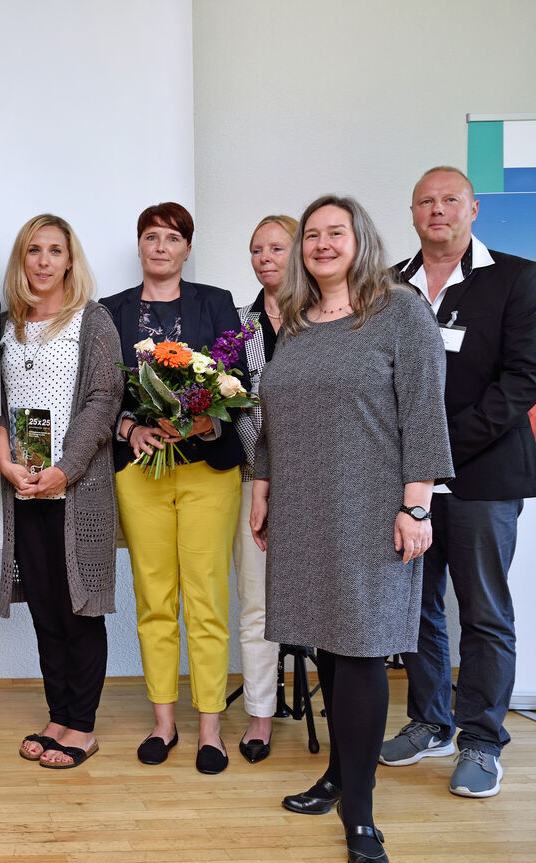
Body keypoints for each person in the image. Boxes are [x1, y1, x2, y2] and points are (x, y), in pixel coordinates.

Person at [251, 194, 453, 863]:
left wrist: (415, 504)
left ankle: (361, 816)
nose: (321, 243)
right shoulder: (299, 321)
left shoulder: (398, 310)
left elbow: (423, 412)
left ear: (359, 239)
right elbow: (273, 411)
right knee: (330, 647)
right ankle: (339, 775)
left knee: (362, 649)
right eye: (311, 234)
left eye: (335, 232)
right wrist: (262, 487)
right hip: (304, 503)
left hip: (372, 506)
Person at [379, 166, 536, 797]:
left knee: (483, 612)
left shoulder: (515, 277)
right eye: (425, 201)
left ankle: (481, 741)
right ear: (412, 211)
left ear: (473, 208)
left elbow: (526, 378)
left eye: (449, 199)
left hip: (484, 477)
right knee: (415, 609)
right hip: (405, 488)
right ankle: (431, 722)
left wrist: (439, 450)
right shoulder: (389, 286)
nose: (437, 210)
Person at [101, 202, 245, 775]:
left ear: (188, 248)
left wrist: (209, 419)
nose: (161, 247)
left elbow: (240, 380)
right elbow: (97, 393)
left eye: (172, 238)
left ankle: (211, 728)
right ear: (140, 247)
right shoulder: (109, 313)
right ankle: (164, 723)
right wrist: (130, 426)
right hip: (142, 470)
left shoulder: (216, 302)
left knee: (207, 599)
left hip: (209, 470)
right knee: (154, 598)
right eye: (151, 237)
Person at [0, 215, 122, 769]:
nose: (43, 261)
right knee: (44, 608)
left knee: (79, 608)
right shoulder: (6, 325)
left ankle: (82, 726)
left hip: (78, 490)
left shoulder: (94, 321)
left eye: (54, 251)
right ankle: (57, 714)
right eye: (33, 251)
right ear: (22, 261)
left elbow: (103, 401)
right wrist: (6, 466)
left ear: (70, 260)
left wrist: (64, 469)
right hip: (24, 488)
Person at [229, 214, 298, 764]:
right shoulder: (238, 326)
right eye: (257, 249)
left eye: (277, 247)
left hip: (320, 480)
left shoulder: (330, 319)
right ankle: (260, 714)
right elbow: (228, 404)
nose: (266, 257)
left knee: (326, 600)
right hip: (253, 476)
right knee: (256, 604)